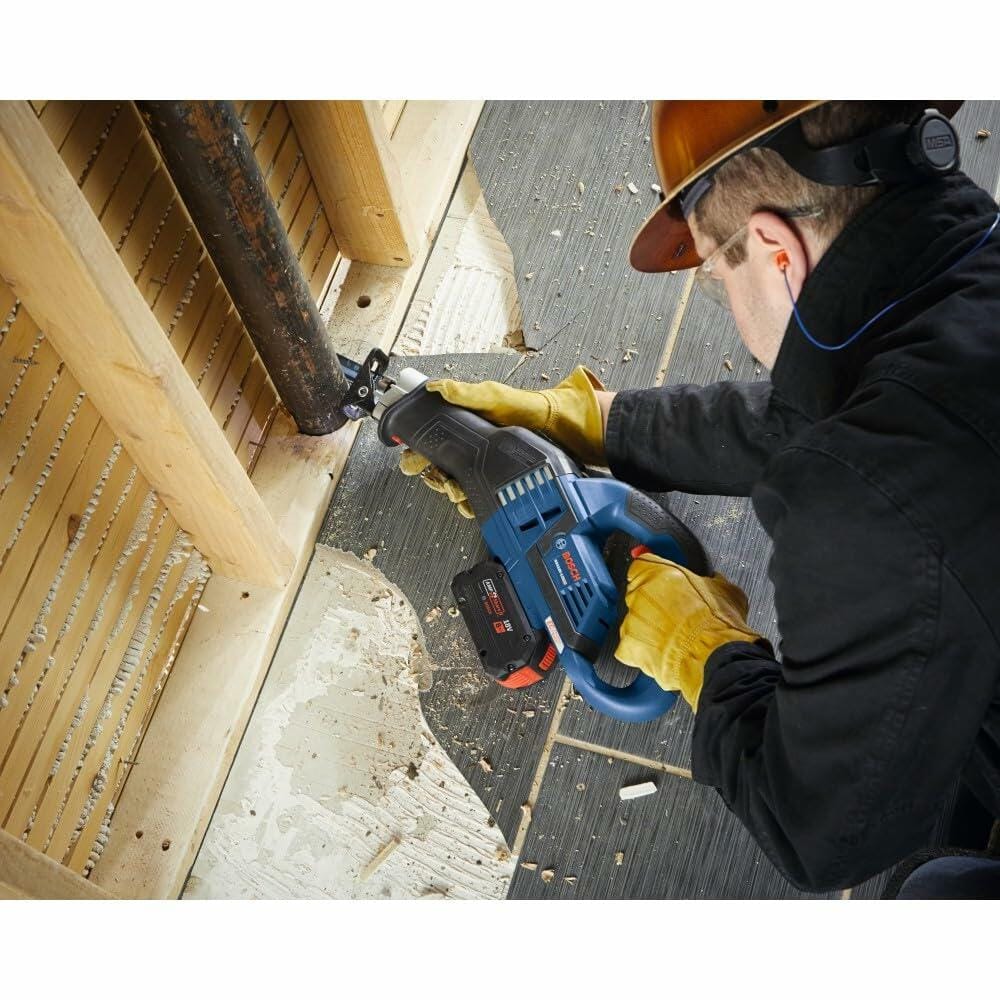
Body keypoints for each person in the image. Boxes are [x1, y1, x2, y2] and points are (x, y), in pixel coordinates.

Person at [399, 101, 1000, 896]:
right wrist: (599, 424)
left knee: (937, 891)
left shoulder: (867, 505)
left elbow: (819, 834)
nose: (727, 303)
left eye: (717, 278)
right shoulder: (963, 288)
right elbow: (855, 408)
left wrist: (705, 651)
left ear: (777, 254)